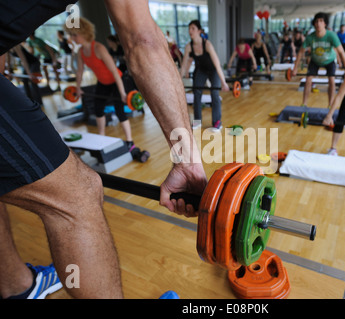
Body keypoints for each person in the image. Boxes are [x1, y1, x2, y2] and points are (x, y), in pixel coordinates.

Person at [0, 0, 207, 299]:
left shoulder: (96, 48)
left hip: (112, 86)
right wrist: (187, 162)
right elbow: (142, 39)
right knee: (77, 195)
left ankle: (17, 287)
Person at [65, 18, 137, 150]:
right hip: (103, 82)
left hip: (117, 81)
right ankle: (101, 137)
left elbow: (115, 72)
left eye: (74, 34)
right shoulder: (81, 52)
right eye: (71, 34)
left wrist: (122, 93)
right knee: (98, 109)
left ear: (84, 33)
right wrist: (78, 88)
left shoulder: (99, 48)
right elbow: (80, 71)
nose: (72, 38)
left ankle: (130, 141)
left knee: (119, 110)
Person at [292, 12, 345, 106]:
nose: (318, 23)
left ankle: (330, 104)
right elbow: (300, 53)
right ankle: (304, 103)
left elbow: (341, 52)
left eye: (321, 21)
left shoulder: (331, 36)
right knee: (308, 80)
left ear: (325, 23)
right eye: (316, 21)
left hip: (329, 60)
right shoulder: (310, 37)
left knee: (331, 80)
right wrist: (295, 68)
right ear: (314, 24)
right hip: (315, 60)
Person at [180, 20, 229, 131]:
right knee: (196, 93)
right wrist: (179, 81)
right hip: (201, 70)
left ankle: (217, 122)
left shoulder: (207, 44)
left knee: (214, 93)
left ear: (199, 31)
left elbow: (217, 64)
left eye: (193, 28)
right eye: (189, 28)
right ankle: (197, 121)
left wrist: (223, 82)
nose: (190, 31)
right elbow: (183, 65)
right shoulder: (189, 46)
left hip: (213, 70)